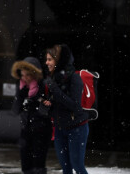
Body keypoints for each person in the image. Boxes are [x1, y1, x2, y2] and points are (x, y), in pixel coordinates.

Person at [43, 44, 89, 174]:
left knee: (77, 166)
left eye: (50, 59)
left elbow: (75, 106)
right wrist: (46, 104)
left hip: (77, 128)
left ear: (59, 60)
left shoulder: (74, 78)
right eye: (46, 59)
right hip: (60, 128)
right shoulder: (53, 78)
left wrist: (55, 91)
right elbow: (56, 103)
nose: (47, 62)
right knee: (66, 168)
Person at [11, 56, 53, 174]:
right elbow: (15, 110)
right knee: (26, 166)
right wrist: (20, 96)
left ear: (35, 74)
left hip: (41, 130)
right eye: (22, 75)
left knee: (38, 166)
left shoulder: (45, 85)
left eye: (27, 75)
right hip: (26, 130)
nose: (25, 78)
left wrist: (36, 100)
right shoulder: (22, 87)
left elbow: (47, 110)